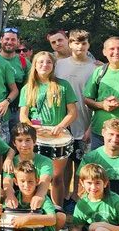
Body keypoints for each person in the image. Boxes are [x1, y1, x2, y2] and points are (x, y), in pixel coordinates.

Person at [19, 51, 77, 210]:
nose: (45, 65)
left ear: (53, 65)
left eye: (48, 62)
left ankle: (58, 210)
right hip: (36, 136)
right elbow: (23, 115)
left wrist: (60, 126)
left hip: (57, 136)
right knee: (35, 175)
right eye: (41, 62)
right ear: (35, 66)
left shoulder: (63, 85)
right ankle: (34, 208)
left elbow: (73, 112)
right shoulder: (28, 88)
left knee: (56, 177)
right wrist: (32, 127)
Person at [55, 29, 97, 212]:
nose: (79, 47)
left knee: (82, 164)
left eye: (84, 43)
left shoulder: (96, 68)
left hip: (85, 123)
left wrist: (91, 126)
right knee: (63, 164)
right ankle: (64, 197)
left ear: (88, 45)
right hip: (62, 124)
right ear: (69, 44)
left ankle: (77, 197)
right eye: (76, 43)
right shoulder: (59, 65)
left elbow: (97, 99)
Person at [2, 124, 64, 231]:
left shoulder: (45, 161)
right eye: (20, 140)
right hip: (18, 201)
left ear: (34, 141)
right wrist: (10, 195)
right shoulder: (11, 161)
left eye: (28, 140)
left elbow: (45, 180)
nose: (24, 144)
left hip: (37, 200)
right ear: (14, 143)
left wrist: (39, 195)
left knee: (60, 217)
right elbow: (7, 181)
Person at [0, 28, 31, 132]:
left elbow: (30, 86)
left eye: (13, 40)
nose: (9, 42)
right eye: (7, 39)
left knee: (17, 140)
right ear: (1, 40)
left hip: (16, 110)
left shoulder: (24, 62)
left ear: (18, 42)